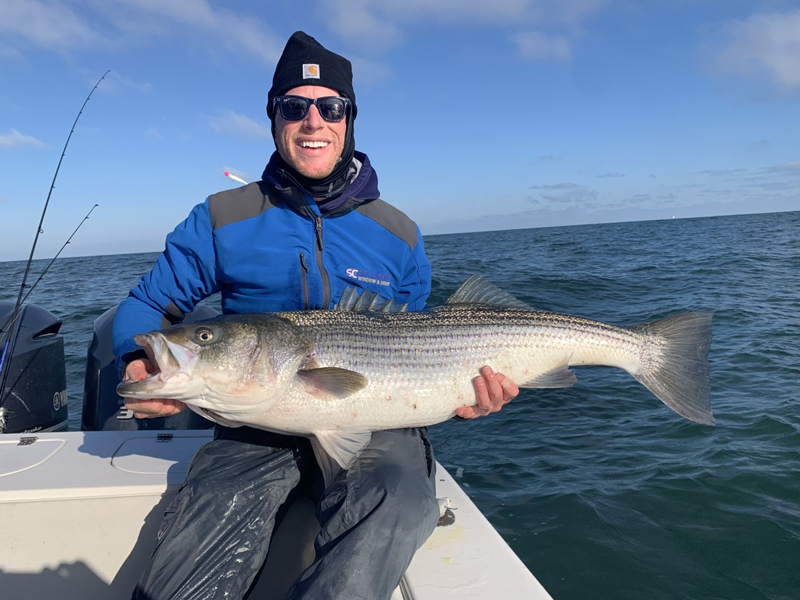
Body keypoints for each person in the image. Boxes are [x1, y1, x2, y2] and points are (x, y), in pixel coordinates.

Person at [113, 31, 519, 600]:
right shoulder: (221, 217)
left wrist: (468, 389)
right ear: (274, 118)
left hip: (377, 425)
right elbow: (147, 307)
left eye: (329, 107)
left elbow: (426, 339)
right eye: (294, 106)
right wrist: (136, 360)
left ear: (349, 119)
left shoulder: (398, 233)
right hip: (250, 425)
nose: (312, 122)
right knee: (184, 570)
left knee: (397, 503)